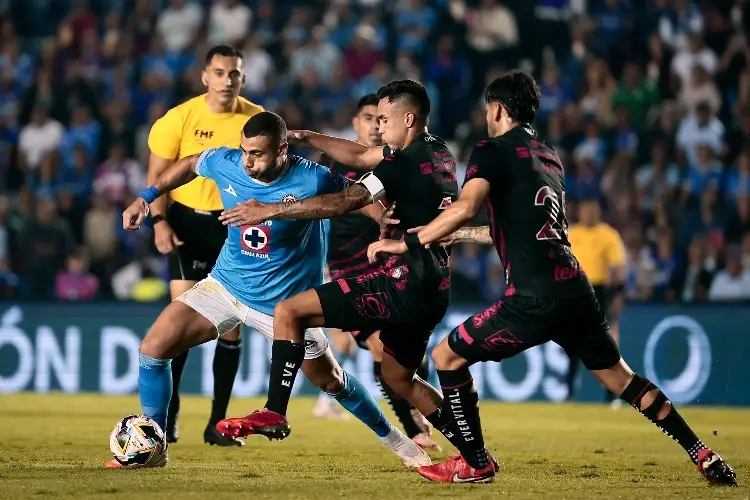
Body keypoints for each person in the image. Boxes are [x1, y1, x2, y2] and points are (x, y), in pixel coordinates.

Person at [368, 70, 737, 486]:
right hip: (575, 289)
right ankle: (701, 452)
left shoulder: (491, 149)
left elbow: (468, 205)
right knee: (622, 378)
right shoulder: (548, 155)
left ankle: (475, 462)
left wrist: (408, 242)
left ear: (497, 109)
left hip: (531, 297)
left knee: (445, 358)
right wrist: (456, 233)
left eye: (488, 110)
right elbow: (510, 226)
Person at [111, 111, 431, 469]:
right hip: (226, 287)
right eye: (245, 151)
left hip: (286, 308)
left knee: (333, 381)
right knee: (153, 349)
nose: (248, 161)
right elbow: (189, 163)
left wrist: (380, 217)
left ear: (282, 150)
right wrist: (146, 196)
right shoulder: (227, 162)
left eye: (258, 154)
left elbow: (352, 197)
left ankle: (401, 443)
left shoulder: (311, 177)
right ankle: (153, 447)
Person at [214, 81, 469, 459]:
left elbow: (349, 198)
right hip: (431, 282)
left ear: (408, 118)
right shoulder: (436, 151)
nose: (379, 127)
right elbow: (364, 156)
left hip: (400, 281)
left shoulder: (403, 161)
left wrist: (271, 210)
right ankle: (474, 453)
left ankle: (275, 411)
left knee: (290, 310)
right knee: (400, 377)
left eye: (384, 119)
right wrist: (309, 137)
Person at [146, 45, 263, 446]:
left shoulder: (256, 119)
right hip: (186, 224)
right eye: (219, 72)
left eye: (234, 74)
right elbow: (157, 177)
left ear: (242, 79)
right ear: (205, 77)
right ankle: (167, 418)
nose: (227, 80)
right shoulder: (179, 118)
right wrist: (159, 222)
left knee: (231, 329)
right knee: (180, 322)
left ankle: (217, 423)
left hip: (232, 229)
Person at [316, 93, 439, 449]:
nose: (374, 125)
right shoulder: (331, 166)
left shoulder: (395, 161)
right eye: (367, 118)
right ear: (354, 123)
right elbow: (318, 213)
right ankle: (412, 429)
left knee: (411, 353)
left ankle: (419, 411)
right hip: (347, 269)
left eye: (380, 118)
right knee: (377, 345)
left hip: (391, 262)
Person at [566, 198, 626, 406]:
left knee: (605, 345)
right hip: (575, 291)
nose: (589, 214)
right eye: (585, 210)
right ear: (580, 212)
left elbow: (619, 268)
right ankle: (569, 393)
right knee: (572, 344)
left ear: (598, 212)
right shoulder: (572, 233)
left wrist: (616, 292)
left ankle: (611, 397)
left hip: (600, 292)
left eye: (592, 210)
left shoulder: (608, 235)